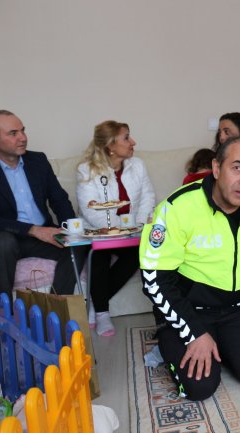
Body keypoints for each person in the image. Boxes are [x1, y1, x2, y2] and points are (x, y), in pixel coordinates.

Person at [140, 134, 240, 401]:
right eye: (237, 168)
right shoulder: (177, 207)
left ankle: (223, 342)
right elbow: (154, 280)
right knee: (200, 387)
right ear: (216, 168)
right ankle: (172, 341)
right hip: (190, 310)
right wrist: (195, 333)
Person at [76, 120, 155, 336]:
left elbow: (148, 197)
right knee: (99, 255)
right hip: (100, 232)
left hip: (132, 231)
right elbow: (91, 210)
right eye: (126, 138)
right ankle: (103, 314)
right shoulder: (86, 170)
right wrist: (119, 229)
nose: (133, 142)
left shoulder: (137, 165)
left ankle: (95, 304)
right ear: (110, 145)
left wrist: (137, 226)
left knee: (140, 252)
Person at [0, 110, 87, 296]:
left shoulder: (37, 160)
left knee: (78, 246)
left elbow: (59, 199)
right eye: (13, 133)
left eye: (23, 130)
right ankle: (3, 309)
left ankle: (59, 306)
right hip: (9, 236)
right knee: (3, 243)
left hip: (42, 235)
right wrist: (32, 230)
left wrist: (72, 230)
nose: (23, 138)